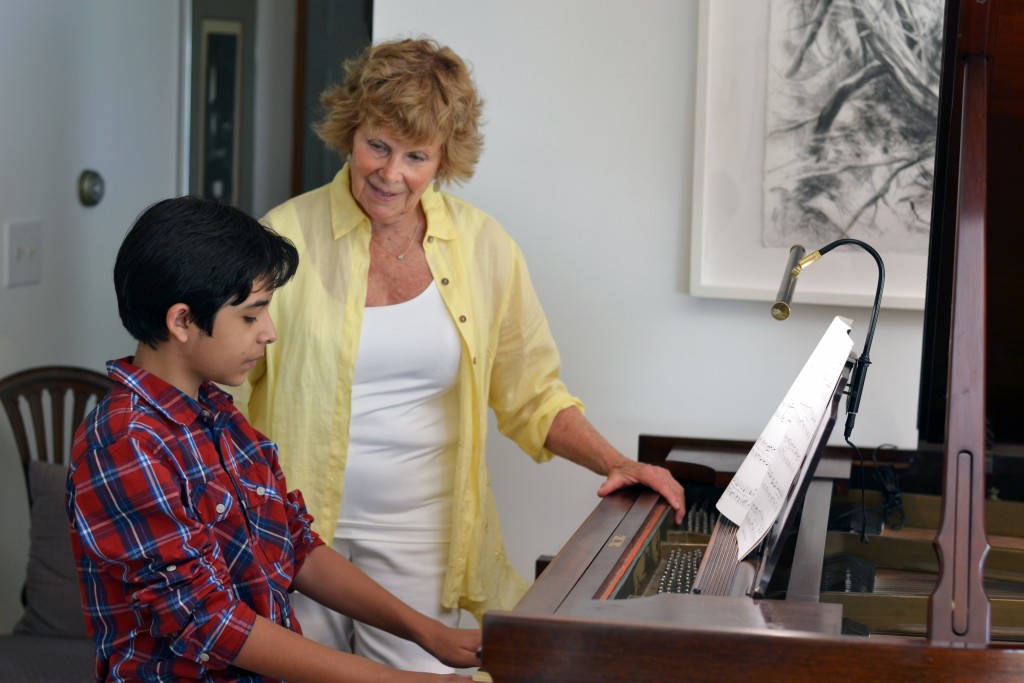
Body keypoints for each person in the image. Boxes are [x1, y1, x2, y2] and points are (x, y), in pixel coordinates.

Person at [231, 37, 686, 672]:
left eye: (416, 155)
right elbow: (220, 390)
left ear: (444, 160)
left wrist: (615, 461)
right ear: (350, 132)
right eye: (378, 146)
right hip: (293, 533)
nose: (391, 174)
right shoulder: (282, 237)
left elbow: (532, 393)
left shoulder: (484, 247)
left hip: (425, 535)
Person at [66, 196, 480, 682]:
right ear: (181, 321)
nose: (270, 332)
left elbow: (297, 544)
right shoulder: (125, 443)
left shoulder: (221, 416)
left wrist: (426, 632)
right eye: (250, 316)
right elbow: (212, 622)